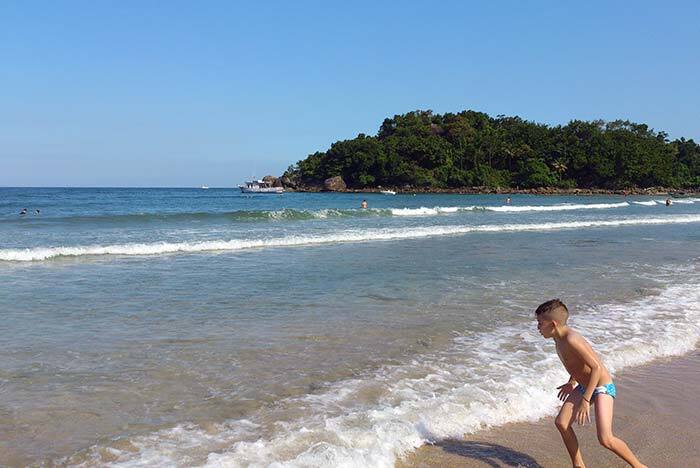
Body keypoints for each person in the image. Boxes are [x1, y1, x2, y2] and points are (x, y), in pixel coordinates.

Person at [535, 299, 646, 468]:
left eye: (540, 323)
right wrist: (571, 381)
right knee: (561, 423)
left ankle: (639, 466)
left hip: (602, 387)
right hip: (584, 385)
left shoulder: (571, 339)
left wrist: (586, 400)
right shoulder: (558, 339)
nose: (537, 327)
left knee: (605, 439)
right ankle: (578, 465)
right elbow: (577, 364)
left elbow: (596, 368)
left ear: (553, 324)